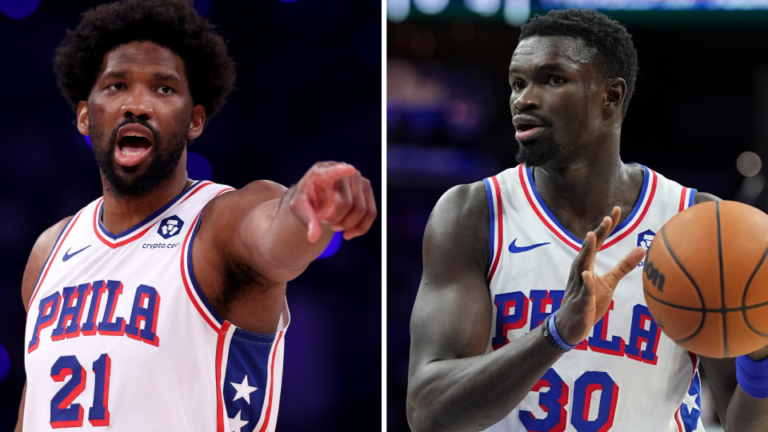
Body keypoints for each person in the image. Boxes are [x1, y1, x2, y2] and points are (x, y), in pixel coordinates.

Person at [16, 1, 377, 431]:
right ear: (84, 116)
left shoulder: (219, 222)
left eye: (163, 89)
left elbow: (276, 237)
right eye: (116, 86)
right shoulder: (48, 252)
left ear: (195, 120)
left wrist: (307, 206)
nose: (137, 105)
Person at [406, 9, 768, 432]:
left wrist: (760, 355)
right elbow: (428, 413)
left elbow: (743, 424)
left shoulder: (695, 222)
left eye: (553, 79)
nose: (524, 98)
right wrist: (556, 334)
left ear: (611, 96)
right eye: (517, 83)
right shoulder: (473, 213)